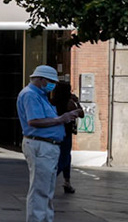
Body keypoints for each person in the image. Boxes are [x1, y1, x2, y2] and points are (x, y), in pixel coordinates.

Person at [17, 64, 79, 222]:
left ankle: (45, 219)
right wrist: (61, 119)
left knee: (46, 189)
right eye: (50, 81)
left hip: (46, 145)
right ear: (40, 79)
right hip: (41, 145)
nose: (52, 85)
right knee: (40, 190)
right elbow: (34, 121)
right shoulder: (31, 95)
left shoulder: (39, 95)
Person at [51, 77, 84, 194]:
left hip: (54, 132)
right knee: (64, 158)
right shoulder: (69, 103)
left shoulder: (52, 102)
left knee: (62, 157)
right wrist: (78, 102)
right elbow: (81, 114)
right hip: (66, 133)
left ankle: (66, 182)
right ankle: (57, 180)